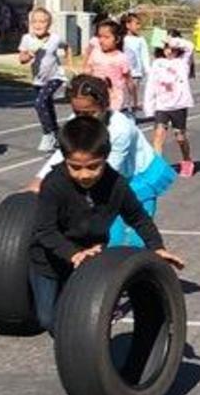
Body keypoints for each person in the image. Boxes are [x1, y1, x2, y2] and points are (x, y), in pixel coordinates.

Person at [30, 116, 186, 333]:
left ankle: (84, 357)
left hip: (91, 258)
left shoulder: (116, 184)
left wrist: (157, 248)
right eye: (75, 167)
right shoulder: (54, 185)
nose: (84, 175)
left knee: (75, 321)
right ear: (65, 159)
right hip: (50, 260)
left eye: (93, 166)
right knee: (49, 319)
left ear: (106, 157)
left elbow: (139, 218)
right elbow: (45, 230)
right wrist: (73, 254)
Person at [145, 35, 196, 177]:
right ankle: (157, 167)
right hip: (162, 105)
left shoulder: (182, 62)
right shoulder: (157, 63)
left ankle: (187, 160)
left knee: (179, 136)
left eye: (172, 48)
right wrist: (149, 106)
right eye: (166, 48)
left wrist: (172, 41)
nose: (169, 51)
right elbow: (151, 85)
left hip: (179, 105)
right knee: (158, 135)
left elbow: (190, 46)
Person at [19, 8, 68, 153]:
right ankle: (58, 135)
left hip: (55, 76)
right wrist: (30, 54)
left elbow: (67, 46)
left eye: (42, 21)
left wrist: (69, 64)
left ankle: (48, 133)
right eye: (35, 21)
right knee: (48, 107)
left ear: (49, 24)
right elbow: (21, 59)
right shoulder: (27, 39)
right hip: (38, 80)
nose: (38, 24)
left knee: (39, 103)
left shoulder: (55, 38)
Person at [85, 20, 133, 115]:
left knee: (110, 120)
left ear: (117, 39)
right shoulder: (95, 53)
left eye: (106, 37)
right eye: (99, 36)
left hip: (114, 98)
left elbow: (128, 79)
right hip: (95, 95)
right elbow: (88, 70)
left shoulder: (121, 58)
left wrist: (132, 99)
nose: (102, 40)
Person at [122, 13, 151, 115]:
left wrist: (148, 71)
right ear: (128, 25)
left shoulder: (140, 40)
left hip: (136, 73)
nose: (139, 26)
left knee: (133, 95)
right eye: (136, 24)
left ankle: (131, 116)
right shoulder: (122, 39)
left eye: (139, 24)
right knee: (123, 96)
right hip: (123, 73)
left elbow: (145, 56)